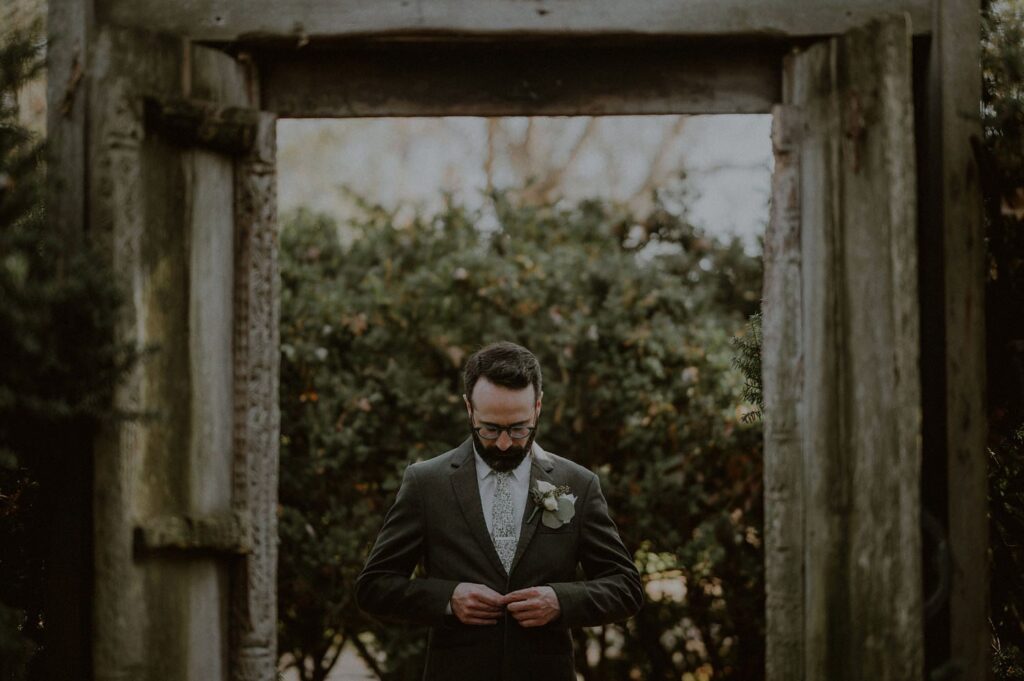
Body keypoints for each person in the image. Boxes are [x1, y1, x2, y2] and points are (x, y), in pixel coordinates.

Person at [356, 341, 643, 681]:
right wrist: (448, 598)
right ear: (468, 409)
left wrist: (560, 600)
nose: (505, 443)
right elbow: (374, 586)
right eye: (490, 429)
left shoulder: (577, 484)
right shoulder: (426, 483)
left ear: (537, 408)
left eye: (519, 428)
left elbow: (626, 587)